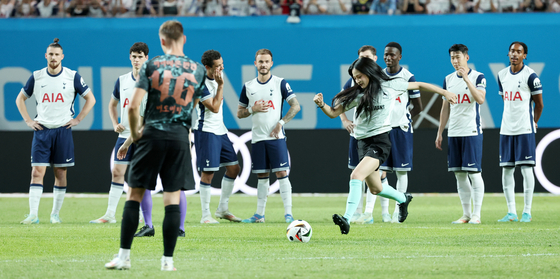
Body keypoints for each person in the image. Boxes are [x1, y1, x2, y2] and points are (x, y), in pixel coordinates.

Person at [314, 57, 457, 234]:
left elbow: (419, 85)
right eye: (354, 77)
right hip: (362, 143)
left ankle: (347, 219)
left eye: (359, 76)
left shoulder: (390, 86)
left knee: (356, 175)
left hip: (380, 141)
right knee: (376, 188)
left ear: (369, 72)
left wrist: (445, 93)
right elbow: (333, 113)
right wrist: (321, 105)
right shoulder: (358, 94)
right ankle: (403, 199)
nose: (357, 80)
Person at [105, 20, 206, 271]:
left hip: (151, 133)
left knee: (134, 194)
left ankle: (124, 258)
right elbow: (204, 105)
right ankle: (167, 262)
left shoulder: (152, 66)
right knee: (172, 198)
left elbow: (131, 106)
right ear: (184, 39)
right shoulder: (197, 69)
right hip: (180, 137)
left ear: (161, 41)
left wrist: (136, 135)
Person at [16, 38, 96, 225]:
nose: (53, 57)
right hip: (42, 130)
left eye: (56, 54)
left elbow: (90, 99)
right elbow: (20, 99)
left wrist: (77, 119)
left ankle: (55, 215)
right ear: (46, 56)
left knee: (60, 173)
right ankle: (33, 215)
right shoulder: (36, 76)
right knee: (37, 172)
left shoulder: (72, 76)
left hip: (63, 130)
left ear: (62, 57)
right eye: (50, 54)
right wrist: (28, 120)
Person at [237, 48, 301, 224]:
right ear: (255, 63)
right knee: (262, 176)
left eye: (266, 61)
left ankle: (288, 214)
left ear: (271, 63)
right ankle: (259, 215)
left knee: (281, 173)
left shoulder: (280, 83)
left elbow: (295, 106)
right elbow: (239, 113)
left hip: (276, 138)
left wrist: (281, 123)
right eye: (260, 61)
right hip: (257, 138)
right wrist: (252, 109)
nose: (263, 64)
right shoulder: (248, 86)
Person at [90, 42, 149, 224]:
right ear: (129, 57)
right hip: (124, 135)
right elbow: (112, 104)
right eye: (134, 56)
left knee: (139, 177)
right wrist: (115, 123)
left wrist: (127, 143)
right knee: (117, 172)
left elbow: (143, 119)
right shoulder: (122, 80)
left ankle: (141, 216)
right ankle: (109, 214)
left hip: (141, 137)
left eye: (140, 56)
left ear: (146, 58)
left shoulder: (149, 83)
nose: (137, 59)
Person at [435, 44, 486, 225]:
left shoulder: (478, 76)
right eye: (452, 58)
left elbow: (480, 99)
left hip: (471, 131)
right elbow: (445, 108)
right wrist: (440, 132)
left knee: (474, 173)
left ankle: (477, 215)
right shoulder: (448, 79)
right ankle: (466, 214)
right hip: (454, 132)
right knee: (459, 174)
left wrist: (466, 80)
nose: (455, 61)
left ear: (467, 57)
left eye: (458, 57)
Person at [338, 45, 387, 225]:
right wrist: (344, 120)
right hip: (359, 135)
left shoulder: (385, 80)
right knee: (361, 174)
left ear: (374, 59)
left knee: (376, 174)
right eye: (360, 58)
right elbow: (338, 103)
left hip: (379, 134)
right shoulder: (354, 81)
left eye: (366, 58)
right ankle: (359, 212)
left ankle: (371, 212)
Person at [193, 49, 242, 224]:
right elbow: (213, 107)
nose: (221, 69)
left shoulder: (216, 78)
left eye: (222, 65)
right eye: (218, 67)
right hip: (206, 131)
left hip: (220, 130)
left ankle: (222, 209)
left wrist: (220, 83)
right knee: (208, 173)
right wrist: (221, 86)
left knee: (234, 168)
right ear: (207, 67)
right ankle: (205, 215)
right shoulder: (200, 83)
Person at [497, 42, 543, 223]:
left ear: (525, 55)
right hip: (506, 128)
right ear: (508, 53)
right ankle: (511, 213)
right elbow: (505, 100)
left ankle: (527, 212)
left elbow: (539, 104)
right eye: (512, 51)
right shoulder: (501, 75)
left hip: (525, 128)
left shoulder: (531, 76)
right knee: (507, 170)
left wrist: (534, 122)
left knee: (525, 169)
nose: (514, 54)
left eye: (519, 52)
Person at [380, 42, 423, 223]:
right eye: (386, 54)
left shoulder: (408, 77)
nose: (388, 57)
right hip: (382, 129)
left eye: (392, 55)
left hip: (401, 130)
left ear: (400, 57)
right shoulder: (379, 76)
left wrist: (404, 118)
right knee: (380, 173)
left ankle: (399, 211)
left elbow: (418, 107)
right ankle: (385, 213)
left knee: (401, 172)